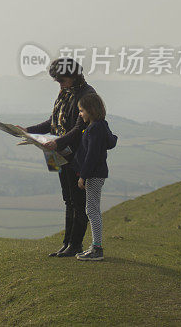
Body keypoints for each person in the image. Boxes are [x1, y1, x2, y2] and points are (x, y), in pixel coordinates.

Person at [21, 58, 96, 257]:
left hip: (76, 155)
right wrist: (27, 131)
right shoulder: (66, 93)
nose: (60, 84)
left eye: (62, 80)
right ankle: (67, 243)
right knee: (68, 199)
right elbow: (53, 122)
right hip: (57, 153)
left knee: (78, 201)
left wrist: (59, 142)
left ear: (73, 75)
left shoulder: (87, 95)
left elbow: (79, 128)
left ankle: (76, 244)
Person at [74, 93, 117, 261]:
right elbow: (111, 141)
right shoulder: (101, 125)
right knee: (92, 209)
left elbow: (91, 155)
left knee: (92, 210)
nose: (80, 114)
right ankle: (95, 246)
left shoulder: (94, 128)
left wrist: (83, 176)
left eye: (81, 110)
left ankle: (97, 248)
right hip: (98, 173)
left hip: (94, 174)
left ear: (90, 110)